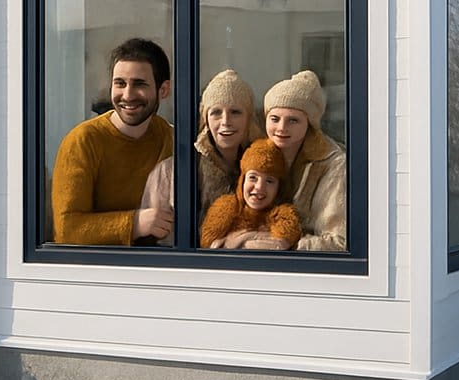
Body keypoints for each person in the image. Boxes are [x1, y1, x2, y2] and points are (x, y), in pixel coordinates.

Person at [50, 38, 175, 245]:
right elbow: (67, 230)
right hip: (95, 273)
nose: (127, 95)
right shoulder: (81, 142)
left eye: (139, 84)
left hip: (159, 268)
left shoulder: (170, 138)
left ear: (164, 90)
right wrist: (134, 223)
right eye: (120, 83)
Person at [138, 69, 261, 246]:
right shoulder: (170, 172)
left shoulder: (263, 170)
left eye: (235, 112)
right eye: (216, 112)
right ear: (206, 119)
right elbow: (152, 242)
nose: (225, 121)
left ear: (249, 117)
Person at [261, 69, 348, 251]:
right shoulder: (258, 155)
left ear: (309, 123)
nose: (281, 128)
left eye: (293, 120)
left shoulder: (333, 163)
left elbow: (339, 242)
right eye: (274, 119)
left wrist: (281, 245)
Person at [200, 138, 302, 250]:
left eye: (269, 181)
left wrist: (241, 238)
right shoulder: (226, 207)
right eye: (253, 177)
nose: (259, 187)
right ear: (242, 181)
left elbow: (279, 245)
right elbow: (210, 246)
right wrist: (261, 237)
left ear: (278, 187)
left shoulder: (282, 215)